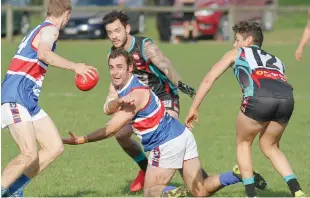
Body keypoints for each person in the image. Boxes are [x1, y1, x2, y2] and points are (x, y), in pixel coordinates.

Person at [62, 48, 266, 197]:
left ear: (130, 68)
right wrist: (115, 103)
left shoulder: (134, 96)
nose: (115, 72)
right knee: (201, 190)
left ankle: (176, 193)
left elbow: (111, 129)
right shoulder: (124, 88)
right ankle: (236, 174)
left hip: (167, 143)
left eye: (119, 67)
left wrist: (81, 139)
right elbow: (107, 108)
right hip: (182, 135)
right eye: (111, 68)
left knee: (151, 192)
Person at [185, 21, 306, 198]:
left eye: (237, 40)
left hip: (258, 98)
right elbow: (284, 82)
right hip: (286, 99)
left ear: (248, 40)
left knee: (244, 143)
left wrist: (194, 107)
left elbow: (208, 79)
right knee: (270, 145)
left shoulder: (237, 53)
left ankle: (251, 195)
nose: (234, 44)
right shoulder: (276, 60)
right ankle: (298, 191)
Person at [1, 0, 96, 196]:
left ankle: (13, 190)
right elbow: (44, 54)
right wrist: (75, 66)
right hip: (15, 95)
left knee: (54, 147)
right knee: (29, 153)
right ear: (67, 14)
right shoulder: (50, 30)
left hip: (28, 100)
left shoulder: (39, 28)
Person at [102, 11, 196, 192]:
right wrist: (112, 101)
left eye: (117, 30)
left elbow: (164, 64)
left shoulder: (145, 46)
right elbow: (113, 86)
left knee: (169, 140)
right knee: (121, 135)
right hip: (140, 103)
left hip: (164, 96)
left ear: (127, 28)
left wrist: (180, 83)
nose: (114, 36)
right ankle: (145, 170)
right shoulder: (112, 55)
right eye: (110, 32)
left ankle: (195, 182)